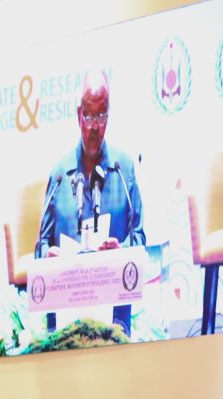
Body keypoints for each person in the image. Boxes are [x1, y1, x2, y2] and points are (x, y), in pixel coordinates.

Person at [36, 69, 145, 260]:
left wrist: (120, 250)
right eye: (88, 116)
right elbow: (41, 244)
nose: (94, 126)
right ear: (79, 115)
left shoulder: (123, 170)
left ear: (108, 116)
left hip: (113, 276)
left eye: (101, 115)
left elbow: (139, 238)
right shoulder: (60, 175)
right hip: (69, 277)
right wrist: (48, 254)